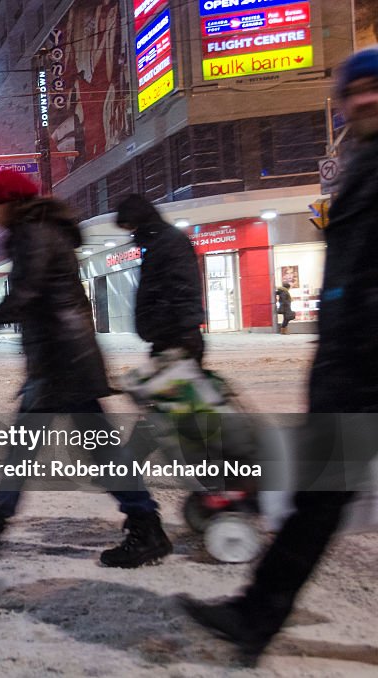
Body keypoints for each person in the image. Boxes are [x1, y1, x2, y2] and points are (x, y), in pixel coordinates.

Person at [180, 47, 378, 661]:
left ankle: (255, 615)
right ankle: (254, 615)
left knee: (319, 503)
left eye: (377, 88)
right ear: (342, 103)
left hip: (364, 366)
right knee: (317, 504)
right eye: (358, 90)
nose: (367, 99)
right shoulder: (361, 165)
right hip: (353, 370)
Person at [0, 169, 170, 568]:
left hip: (62, 358)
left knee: (96, 451)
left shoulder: (34, 231)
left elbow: (27, 294)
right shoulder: (40, 228)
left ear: (9, 201)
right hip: (63, 355)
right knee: (35, 446)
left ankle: (146, 526)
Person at [114, 193, 205, 364]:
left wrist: (182, 330)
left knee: (177, 389)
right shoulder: (157, 244)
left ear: (139, 220)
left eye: (131, 227)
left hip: (176, 336)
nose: (131, 233)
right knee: (168, 388)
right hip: (167, 334)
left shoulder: (169, 242)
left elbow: (182, 286)